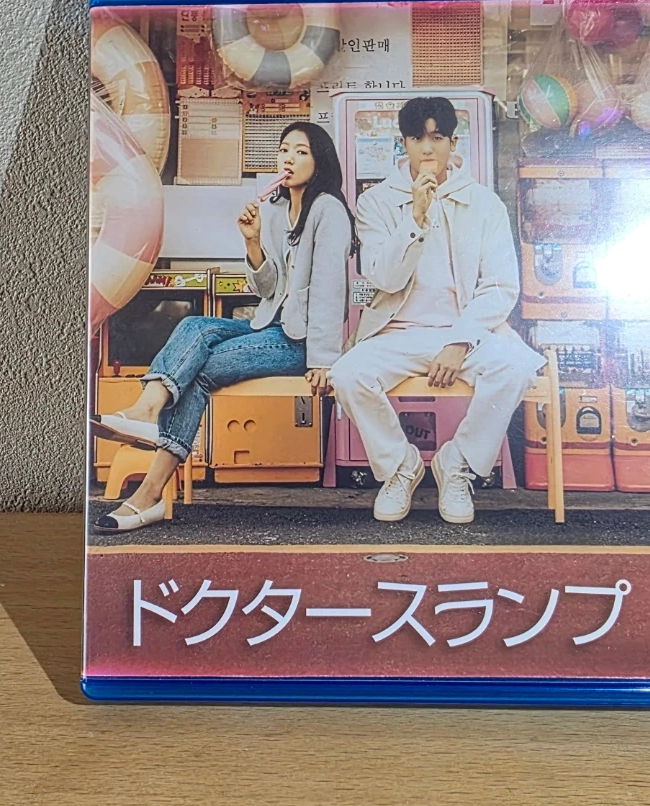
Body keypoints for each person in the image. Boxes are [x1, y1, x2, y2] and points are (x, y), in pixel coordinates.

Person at [91, 121, 354, 532]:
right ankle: (147, 412)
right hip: (269, 326)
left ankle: (148, 493)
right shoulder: (276, 209)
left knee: (198, 372)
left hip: (300, 341)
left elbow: (328, 289)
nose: (289, 158)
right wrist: (252, 242)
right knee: (195, 326)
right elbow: (266, 289)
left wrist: (322, 360)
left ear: (319, 161)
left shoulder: (328, 210)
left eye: (301, 152)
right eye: (284, 150)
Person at [329, 97, 543, 525]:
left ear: (452, 143)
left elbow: (500, 287)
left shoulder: (484, 204)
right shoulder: (376, 203)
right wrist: (416, 218)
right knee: (348, 374)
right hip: (397, 332)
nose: (427, 148)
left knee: (516, 368)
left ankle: (456, 463)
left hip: (467, 331)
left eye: (437, 137)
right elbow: (383, 277)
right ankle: (400, 467)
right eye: (416, 138)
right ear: (403, 144)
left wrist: (460, 340)